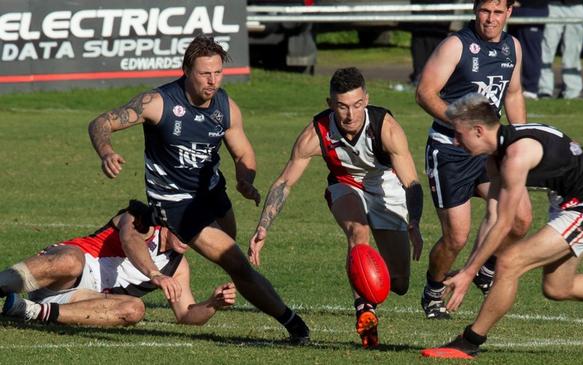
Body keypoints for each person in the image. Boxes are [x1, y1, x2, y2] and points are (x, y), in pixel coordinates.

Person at [87, 34, 309, 344]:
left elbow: (242, 151)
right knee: (236, 261)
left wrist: (245, 178)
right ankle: (295, 324)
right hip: (175, 202)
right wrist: (107, 152)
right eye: (205, 73)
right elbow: (101, 122)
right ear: (187, 70)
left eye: (218, 73)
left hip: (212, 192)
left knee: (233, 258)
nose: (213, 81)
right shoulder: (158, 103)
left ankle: (232, 288)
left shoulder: (225, 106)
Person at [421, 93, 583, 359]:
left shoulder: (516, 156)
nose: (456, 142)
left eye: (459, 135)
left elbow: (506, 222)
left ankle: (469, 342)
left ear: (478, 130)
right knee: (557, 288)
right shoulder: (496, 156)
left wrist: (470, 272)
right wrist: (471, 267)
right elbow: (493, 216)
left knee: (509, 262)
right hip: (565, 206)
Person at [248, 67, 424, 349]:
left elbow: (412, 183)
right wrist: (263, 227)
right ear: (330, 104)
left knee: (400, 284)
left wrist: (414, 222)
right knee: (358, 232)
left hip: (386, 187)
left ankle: (372, 290)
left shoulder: (385, 128)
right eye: (342, 106)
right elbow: (284, 183)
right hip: (345, 186)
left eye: (356, 105)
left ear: (366, 100)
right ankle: (365, 312)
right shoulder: (316, 133)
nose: (350, 115)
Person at [415, 0, 532, 319]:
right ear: (474, 10)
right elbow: (425, 92)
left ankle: (485, 269)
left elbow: (513, 94)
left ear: (509, 12)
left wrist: (517, 141)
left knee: (520, 217)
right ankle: (434, 288)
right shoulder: (456, 45)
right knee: (457, 237)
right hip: (450, 150)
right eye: (484, 11)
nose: (490, 19)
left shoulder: (513, 48)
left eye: (497, 12)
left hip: (489, 151)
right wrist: (461, 123)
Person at [1, 200, 236, 327]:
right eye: (188, 229)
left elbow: (186, 316)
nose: (194, 238)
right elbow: (130, 240)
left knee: (134, 309)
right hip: (59, 269)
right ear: (171, 220)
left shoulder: (177, 267)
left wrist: (212, 304)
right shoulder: (140, 219)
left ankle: (29, 311)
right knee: (71, 262)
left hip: (80, 299)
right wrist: (154, 273)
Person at [538, 0, 583, 99]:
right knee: (547, 49)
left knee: (573, 52)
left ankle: (572, 90)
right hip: (553, 6)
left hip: (577, 6)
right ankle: (544, 89)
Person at [507, 0, 550, 100]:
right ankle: (509, 86)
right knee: (509, 51)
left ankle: (531, 89)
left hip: (533, 10)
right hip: (515, 10)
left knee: (530, 52)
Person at [407, 0, 451, 85]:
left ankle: (435, 76)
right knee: (421, 37)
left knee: (437, 40)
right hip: (423, 18)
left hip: (439, 20)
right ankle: (420, 75)